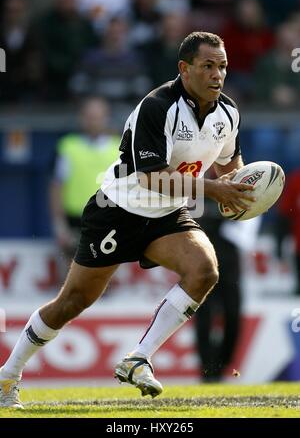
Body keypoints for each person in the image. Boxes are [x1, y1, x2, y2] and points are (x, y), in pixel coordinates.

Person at [0, 31, 255, 408]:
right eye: (208, 66)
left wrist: (243, 188)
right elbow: (151, 175)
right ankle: (7, 376)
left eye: (223, 67)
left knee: (205, 271)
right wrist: (215, 191)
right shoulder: (158, 105)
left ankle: (138, 357)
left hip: (167, 213)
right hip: (118, 210)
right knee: (73, 301)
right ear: (184, 69)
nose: (217, 75)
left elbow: (229, 163)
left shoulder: (228, 113)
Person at [50, 96, 120, 270]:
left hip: (107, 219)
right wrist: (59, 224)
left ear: (106, 118)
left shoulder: (119, 148)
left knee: (102, 277)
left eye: (98, 117)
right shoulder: (67, 146)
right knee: (72, 276)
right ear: (81, 118)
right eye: (89, 117)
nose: (94, 122)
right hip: (75, 219)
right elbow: (57, 186)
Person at [194, 193, 241, 382]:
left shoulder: (236, 187)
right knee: (203, 317)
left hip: (229, 265)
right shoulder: (193, 186)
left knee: (233, 314)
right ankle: (207, 367)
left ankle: (222, 365)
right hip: (202, 264)